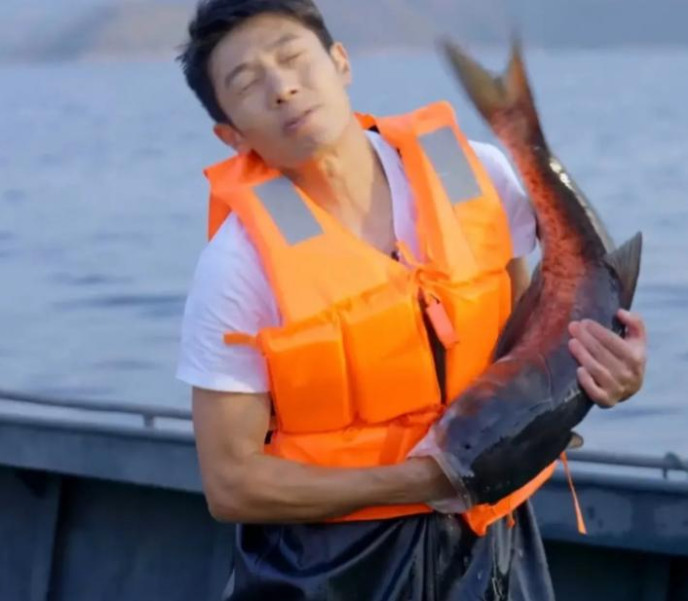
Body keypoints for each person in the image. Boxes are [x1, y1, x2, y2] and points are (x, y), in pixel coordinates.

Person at [175, 1, 648, 598]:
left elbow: (531, 333)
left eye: (293, 58)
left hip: (497, 542)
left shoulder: (474, 173)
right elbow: (231, 485)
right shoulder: (239, 266)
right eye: (247, 83)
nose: (283, 88)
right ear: (231, 135)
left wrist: (610, 369)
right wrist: (424, 482)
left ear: (340, 62)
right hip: (329, 570)